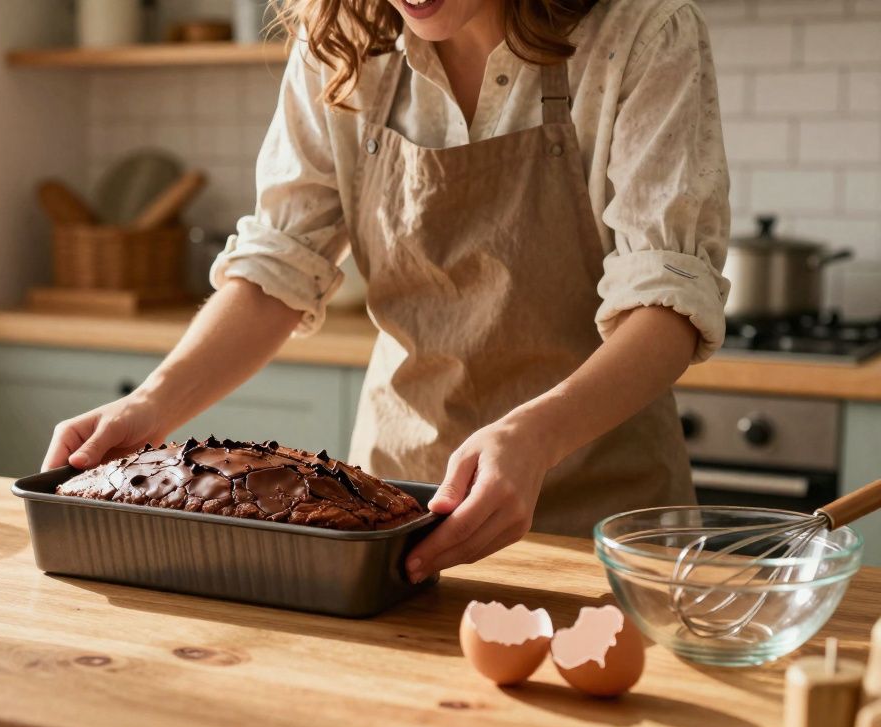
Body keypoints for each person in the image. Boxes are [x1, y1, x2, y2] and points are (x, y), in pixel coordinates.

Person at [44, 0, 729, 583]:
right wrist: (151, 403)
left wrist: (532, 436)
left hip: (606, 523)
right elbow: (278, 267)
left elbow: (666, 303)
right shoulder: (343, 38)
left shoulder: (642, 31)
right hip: (396, 518)